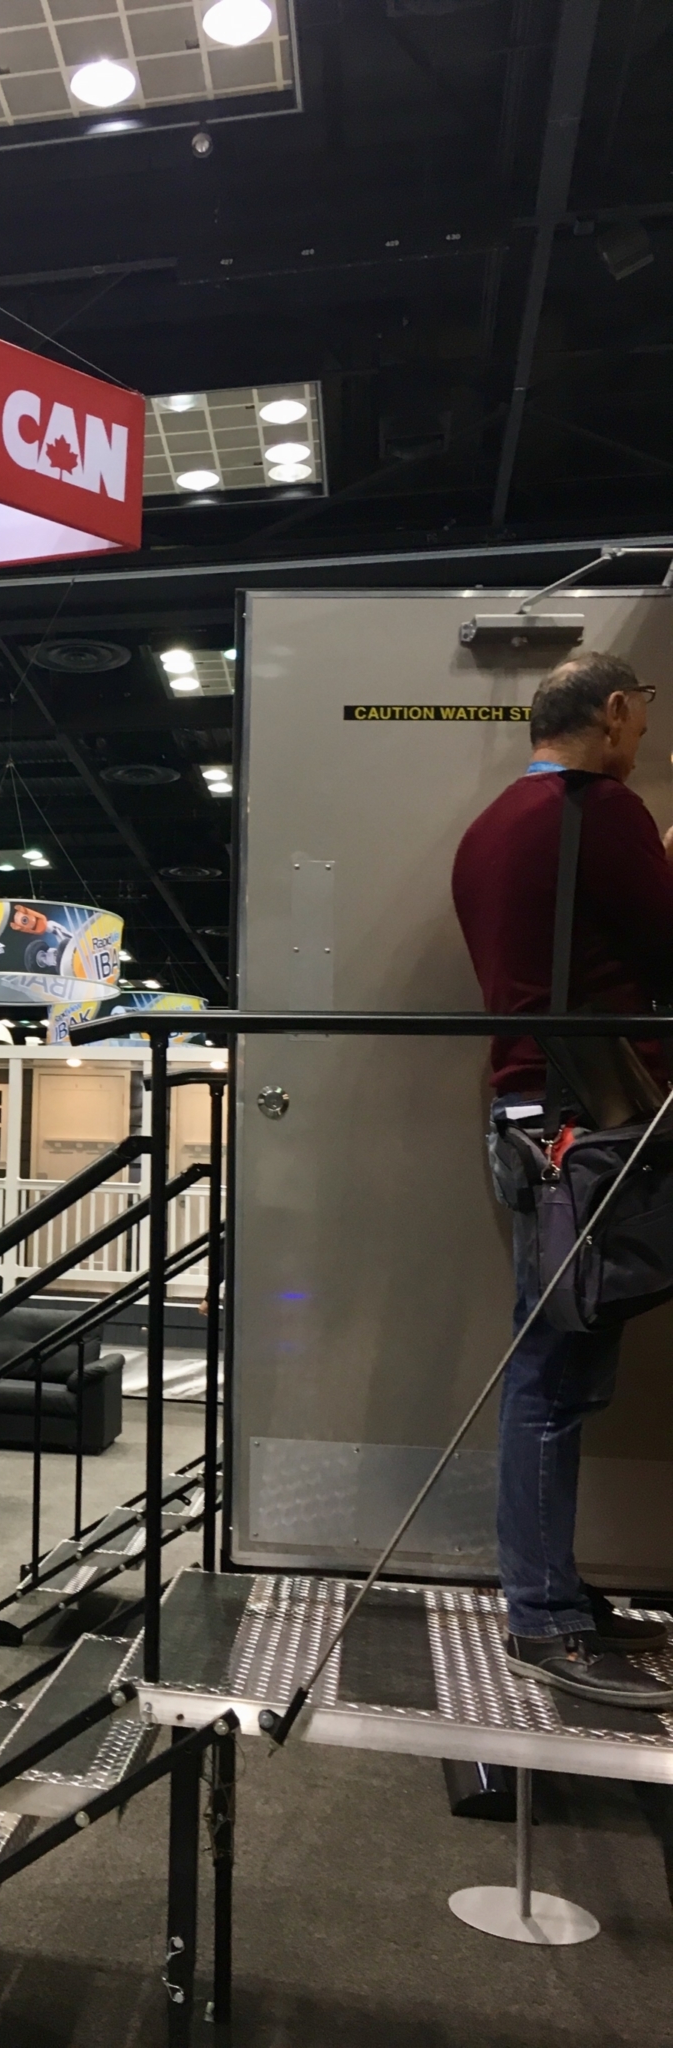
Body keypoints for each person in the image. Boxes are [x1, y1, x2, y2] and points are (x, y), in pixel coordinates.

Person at [452, 650, 673, 1711]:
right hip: (593, 1126)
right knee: (554, 1366)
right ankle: (542, 1613)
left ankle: (554, 1595)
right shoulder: (603, 812)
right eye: (644, 719)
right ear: (616, 711)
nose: (646, 739)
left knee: (559, 1357)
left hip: (530, 1113)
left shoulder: (491, 826)